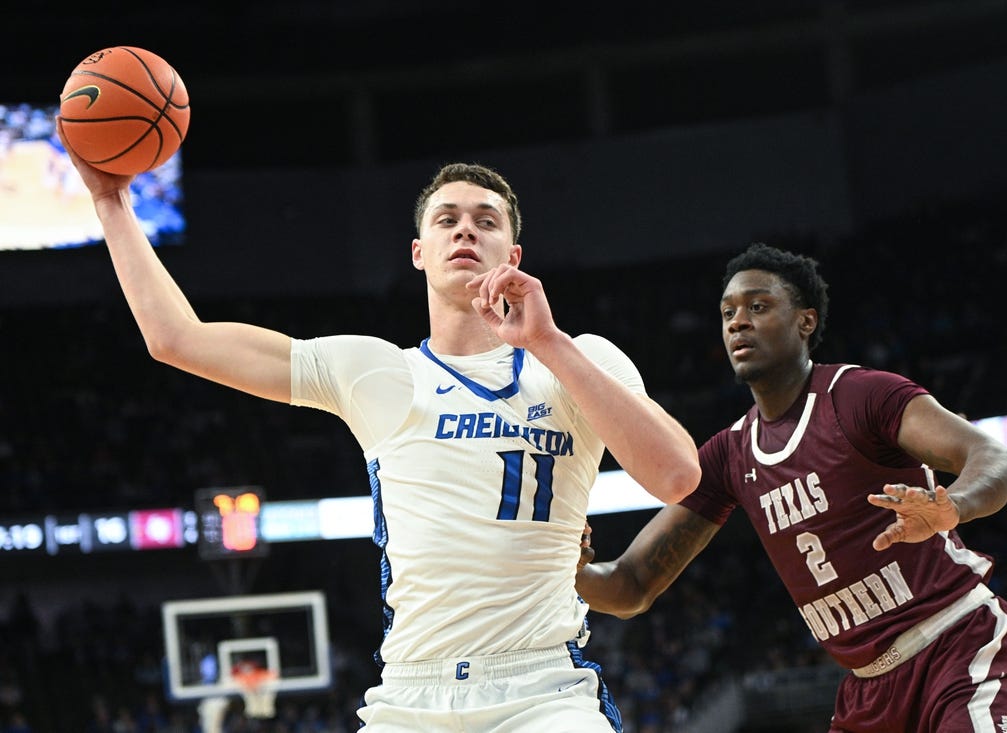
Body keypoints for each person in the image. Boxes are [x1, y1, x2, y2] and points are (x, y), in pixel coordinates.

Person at [57, 125, 701, 733]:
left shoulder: (578, 358)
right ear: (419, 253)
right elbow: (178, 339)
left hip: (541, 690)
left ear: (515, 253)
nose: (465, 232)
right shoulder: (376, 371)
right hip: (410, 696)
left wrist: (549, 341)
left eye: (486, 221)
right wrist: (111, 201)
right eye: (446, 220)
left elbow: (677, 475)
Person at [576, 242, 1007, 732]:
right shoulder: (730, 455)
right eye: (728, 312)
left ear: (806, 322)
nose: (737, 322)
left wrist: (955, 507)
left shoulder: (860, 396)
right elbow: (630, 586)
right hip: (867, 691)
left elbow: (1000, 460)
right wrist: (566, 566)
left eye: (758, 306)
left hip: (958, 647)